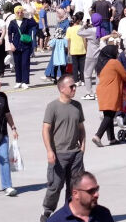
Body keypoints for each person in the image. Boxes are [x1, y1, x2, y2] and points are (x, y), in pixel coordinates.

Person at [41, 75, 86, 222]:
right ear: (61, 88)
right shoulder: (52, 107)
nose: (74, 88)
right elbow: (45, 129)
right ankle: (47, 213)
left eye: (75, 86)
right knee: (55, 186)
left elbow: (81, 128)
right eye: (71, 86)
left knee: (74, 187)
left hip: (75, 154)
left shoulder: (77, 106)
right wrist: (49, 150)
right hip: (58, 154)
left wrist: (83, 146)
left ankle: (70, 213)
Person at [92, 43, 126, 147]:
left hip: (102, 90)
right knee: (110, 115)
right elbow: (124, 75)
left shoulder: (101, 64)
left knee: (108, 113)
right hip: (111, 91)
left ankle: (112, 138)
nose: (117, 54)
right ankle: (98, 135)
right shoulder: (114, 62)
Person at [45, 171, 113, 222]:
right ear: (75, 194)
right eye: (91, 191)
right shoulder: (57, 220)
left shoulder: (104, 213)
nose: (96, 194)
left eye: (96, 189)